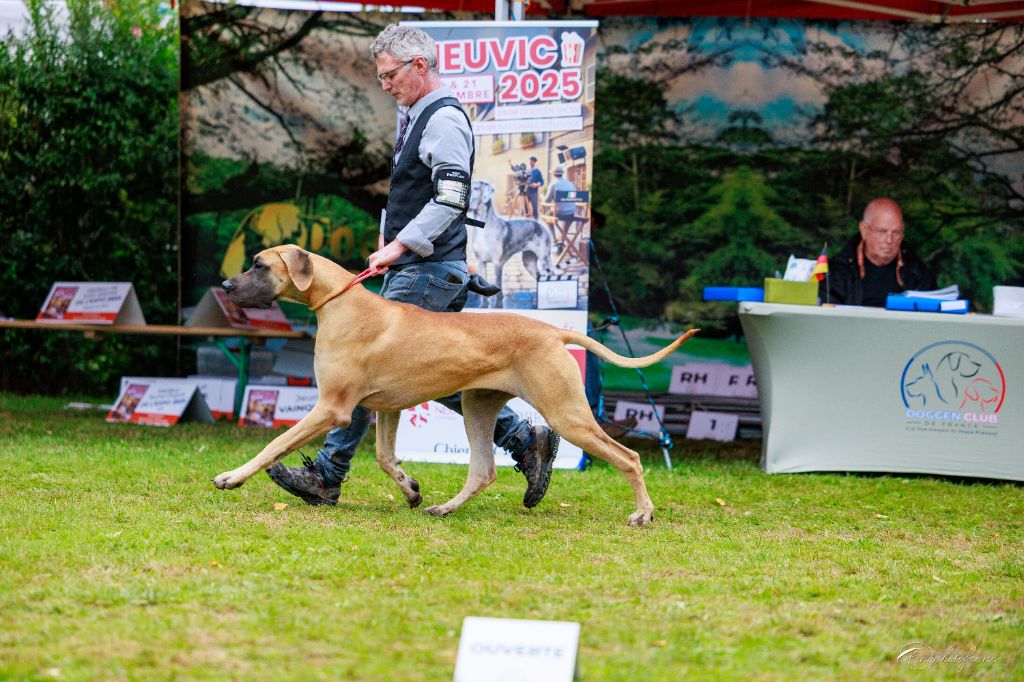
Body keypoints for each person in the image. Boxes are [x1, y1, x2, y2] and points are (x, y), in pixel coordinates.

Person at [267, 24, 559, 509]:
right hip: (423, 267)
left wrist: (400, 246)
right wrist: (390, 239)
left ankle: (326, 475)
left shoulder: (443, 120)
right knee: (425, 374)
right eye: (381, 77)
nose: (385, 86)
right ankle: (524, 441)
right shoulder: (417, 115)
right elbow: (418, 193)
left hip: (429, 268)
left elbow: (451, 198)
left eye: (389, 76)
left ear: (419, 66)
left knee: (364, 369)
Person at [823, 197, 936, 307]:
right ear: (864, 230)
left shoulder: (918, 272)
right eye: (882, 231)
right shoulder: (837, 271)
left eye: (896, 232)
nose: (889, 240)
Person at [544, 166, 578, 250]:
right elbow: (574, 197)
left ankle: (555, 240)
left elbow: (547, 200)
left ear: (553, 174)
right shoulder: (570, 183)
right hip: (571, 213)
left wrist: (542, 197)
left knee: (547, 216)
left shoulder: (553, 184)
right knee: (568, 217)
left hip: (560, 213)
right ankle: (562, 240)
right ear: (562, 174)